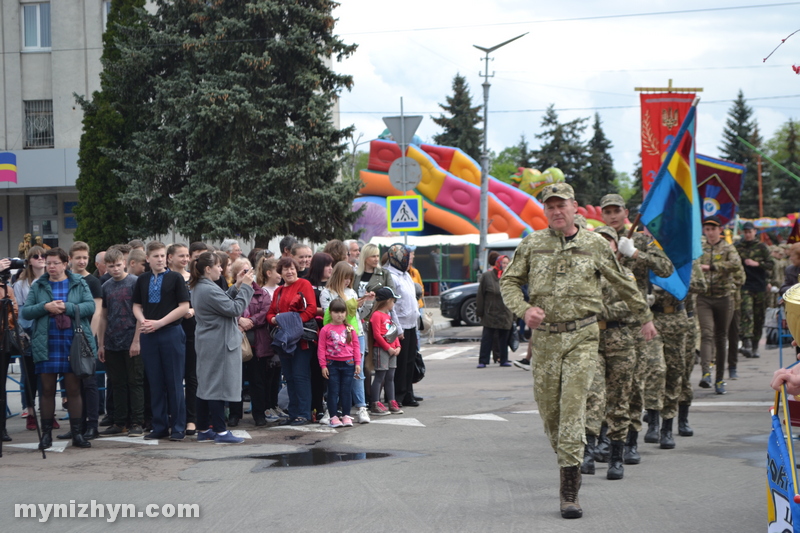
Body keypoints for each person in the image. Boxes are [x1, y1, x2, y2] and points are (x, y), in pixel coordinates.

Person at [500, 183, 655, 519]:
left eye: (562, 205)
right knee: (551, 415)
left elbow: (622, 279)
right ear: (545, 211)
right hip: (545, 341)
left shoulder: (595, 244)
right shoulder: (532, 244)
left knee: (572, 408)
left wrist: (645, 316)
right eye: (550, 206)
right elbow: (509, 281)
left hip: (583, 336)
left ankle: (569, 492)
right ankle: (568, 456)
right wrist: (524, 309)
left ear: (575, 208)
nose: (556, 211)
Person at [600, 193, 673, 464]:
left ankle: (631, 441)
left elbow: (666, 268)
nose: (613, 216)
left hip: (637, 323)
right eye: (607, 211)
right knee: (608, 386)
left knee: (635, 384)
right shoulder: (595, 240)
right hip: (607, 323)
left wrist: (635, 253)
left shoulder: (640, 239)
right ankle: (607, 439)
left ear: (625, 211)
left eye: (617, 210)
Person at [23, 247, 96, 450]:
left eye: (55, 263)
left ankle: (77, 434)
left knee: (73, 390)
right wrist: (45, 307)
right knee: (46, 390)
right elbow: (27, 312)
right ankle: (46, 435)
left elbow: (90, 307)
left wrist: (68, 308)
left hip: (72, 342)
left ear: (65, 264)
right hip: (46, 342)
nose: (51, 266)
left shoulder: (78, 282)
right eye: (48, 263)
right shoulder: (39, 285)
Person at [581, 226, 638, 480]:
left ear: (616, 246)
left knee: (619, 400)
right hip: (590, 340)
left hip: (620, 341)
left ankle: (616, 457)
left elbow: (631, 306)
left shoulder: (625, 274)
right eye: (599, 241)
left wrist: (600, 310)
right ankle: (588, 453)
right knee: (592, 396)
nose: (604, 244)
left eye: (609, 241)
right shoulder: (583, 274)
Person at [190, 252, 254, 444]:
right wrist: (247, 288)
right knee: (217, 387)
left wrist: (238, 285)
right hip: (218, 343)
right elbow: (234, 309)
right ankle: (220, 431)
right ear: (208, 269)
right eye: (218, 266)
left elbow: (223, 301)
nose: (221, 269)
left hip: (209, 341)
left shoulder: (202, 286)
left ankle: (203, 429)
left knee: (206, 386)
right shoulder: (207, 288)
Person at [132, 241, 191, 441]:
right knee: (155, 382)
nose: (159, 259)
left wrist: (160, 323)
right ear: (147, 258)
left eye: (162, 255)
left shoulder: (175, 278)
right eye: (155, 256)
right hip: (149, 334)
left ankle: (178, 427)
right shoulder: (142, 279)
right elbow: (136, 306)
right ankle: (159, 425)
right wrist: (144, 322)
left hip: (171, 332)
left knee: (174, 381)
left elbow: (184, 306)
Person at [97, 248, 144, 437]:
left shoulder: (135, 282)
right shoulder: (106, 286)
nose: (115, 269)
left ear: (124, 263)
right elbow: (103, 317)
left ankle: (137, 421)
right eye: (111, 266)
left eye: (118, 265)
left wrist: (137, 340)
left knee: (135, 382)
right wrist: (101, 344)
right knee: (117, 383)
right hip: (112, 341)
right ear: (105, 267)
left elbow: (142, 314)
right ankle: (119, 421)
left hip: (132, 338)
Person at [320, 261, 373, 424]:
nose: (348, 282)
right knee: (334, 379)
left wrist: (368, 302)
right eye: (345, 278)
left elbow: (360, 315)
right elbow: (328, 315)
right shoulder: (326, 293)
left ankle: (361, 407)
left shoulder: (352, 292)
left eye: (350, 279)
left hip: (355, 334)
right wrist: (349, 305)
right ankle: (332, 411)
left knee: (358, 373)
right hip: (335, 339)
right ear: (338, 276)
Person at [267, 256, 317, 426]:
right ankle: (293, 413)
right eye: (285, 269)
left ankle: (304, 413)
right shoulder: (278, 291)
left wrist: (293, 323)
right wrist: (274, 320)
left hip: (301, 339)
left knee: (300, 375)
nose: (289, 271)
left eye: (292, 268)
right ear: (280, 272)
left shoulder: (304, 284)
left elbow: (311, 308)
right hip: (285, 340)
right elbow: (270, 313)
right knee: (289, 376)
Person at [697, 215, 744, 395]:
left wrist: (713, 267)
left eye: (713, 229)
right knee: (706, 333)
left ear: (719, 230)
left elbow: (735, 263)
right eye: (707, 229)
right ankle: (706, 373)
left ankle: (719, 379)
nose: (709, 233)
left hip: (724, 297)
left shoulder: (727, 247)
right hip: (704, 298)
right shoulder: (700, 247)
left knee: (721, 337)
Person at [68, 242, 104, 441]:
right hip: (69, 337)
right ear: (70, 259)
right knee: (73, 384)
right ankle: (77, 425)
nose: (82, 261)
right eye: (78, 258)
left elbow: (97, 312)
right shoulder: (67, 280)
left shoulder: (93, 282)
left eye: (85, 258)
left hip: (86, 338)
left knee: (89, 383)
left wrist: (89, 339)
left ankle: (92, 425)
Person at [354, 243, 397, 404]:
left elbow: (392, 295)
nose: (376, 259)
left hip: (378, 321)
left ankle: (381, 398)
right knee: (364, 362)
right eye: (373, 256)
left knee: (381, 362)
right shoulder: (356, 276)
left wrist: (376, 296)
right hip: (360, 321)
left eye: (378, 255)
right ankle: (366, 397)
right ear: (365, 257)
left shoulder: (384, 273)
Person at [13, 246, 47, 431]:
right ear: (29, 260)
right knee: (29, 376)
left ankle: (48, 413)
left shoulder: (50, 279)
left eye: (43, 256)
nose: (40, 258)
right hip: (28, 333)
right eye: (36, 256)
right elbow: (19, 312)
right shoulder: (20, 284)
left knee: (47, 375)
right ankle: (31, 412)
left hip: (47, 332)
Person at [384, 244, 421, 407]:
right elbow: (392, 305)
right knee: (399, 362)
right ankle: (396, 395)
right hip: (399, 325)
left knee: (410, 360)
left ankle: (408, 393)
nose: (410, 259)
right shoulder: (391, 276)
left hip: (411, 323)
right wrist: (397, 329)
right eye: (407, 256)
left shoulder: (405, 275)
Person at [167, 243, 197, 435]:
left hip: (192, 330)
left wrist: (193, 310)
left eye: (187, 256)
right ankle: (174, 416)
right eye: (181, 256)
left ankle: (192, 419)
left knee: (192, 376)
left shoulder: (194, 279)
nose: (186, 259)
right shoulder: (165, 278)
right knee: (173, 377)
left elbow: (205, 301)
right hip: (171, 329)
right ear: (170, 258)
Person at [318, 298, 361, 427]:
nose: (339, 315)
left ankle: (346, 415)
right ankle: (333, 417)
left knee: (346, 391)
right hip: (332, 364)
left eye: (342, 312)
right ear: (330, 313)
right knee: (333, 391)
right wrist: (323, 365)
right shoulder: (326, 329)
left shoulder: (350, 328)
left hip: (349, 363)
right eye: (336, 312)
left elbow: (356, 346)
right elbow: (321, 348)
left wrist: (357, 363)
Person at [735, 221, 773, 359]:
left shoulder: (761, 247)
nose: (748, 234)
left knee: (758, 317)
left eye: (750, 232)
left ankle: (755, 345)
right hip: (745, 286)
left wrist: (758, 264)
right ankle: (747, 342)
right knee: (747, 313)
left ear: (754, 232)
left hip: (760, 286)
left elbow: (771, 264)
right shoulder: (738, 247)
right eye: (745, 232)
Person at [368, 287, 402, 415]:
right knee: (379, 376)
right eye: (393, 301)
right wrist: (388, 348)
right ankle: (375, 403)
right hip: (382, 350)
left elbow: (393, 332)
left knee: (390, 377)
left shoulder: (388, 315)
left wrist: (398, 346)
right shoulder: (377, 315)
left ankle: (391, 401)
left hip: (392, 351)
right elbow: (377, 335)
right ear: (387, 301)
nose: (394, 303)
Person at [476, 251, 513, 368]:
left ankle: (503, 359)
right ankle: (483, 360)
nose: (505, 265)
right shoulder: (487, 276)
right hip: (490, 312)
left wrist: (516, 313)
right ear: (497, 263)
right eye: (503, 263)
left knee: (504, 338)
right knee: (487, 338)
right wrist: (480, 312)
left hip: (505, 312)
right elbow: (480, 295)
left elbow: (515, 295)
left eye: (507, 263)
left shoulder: (511, 277)